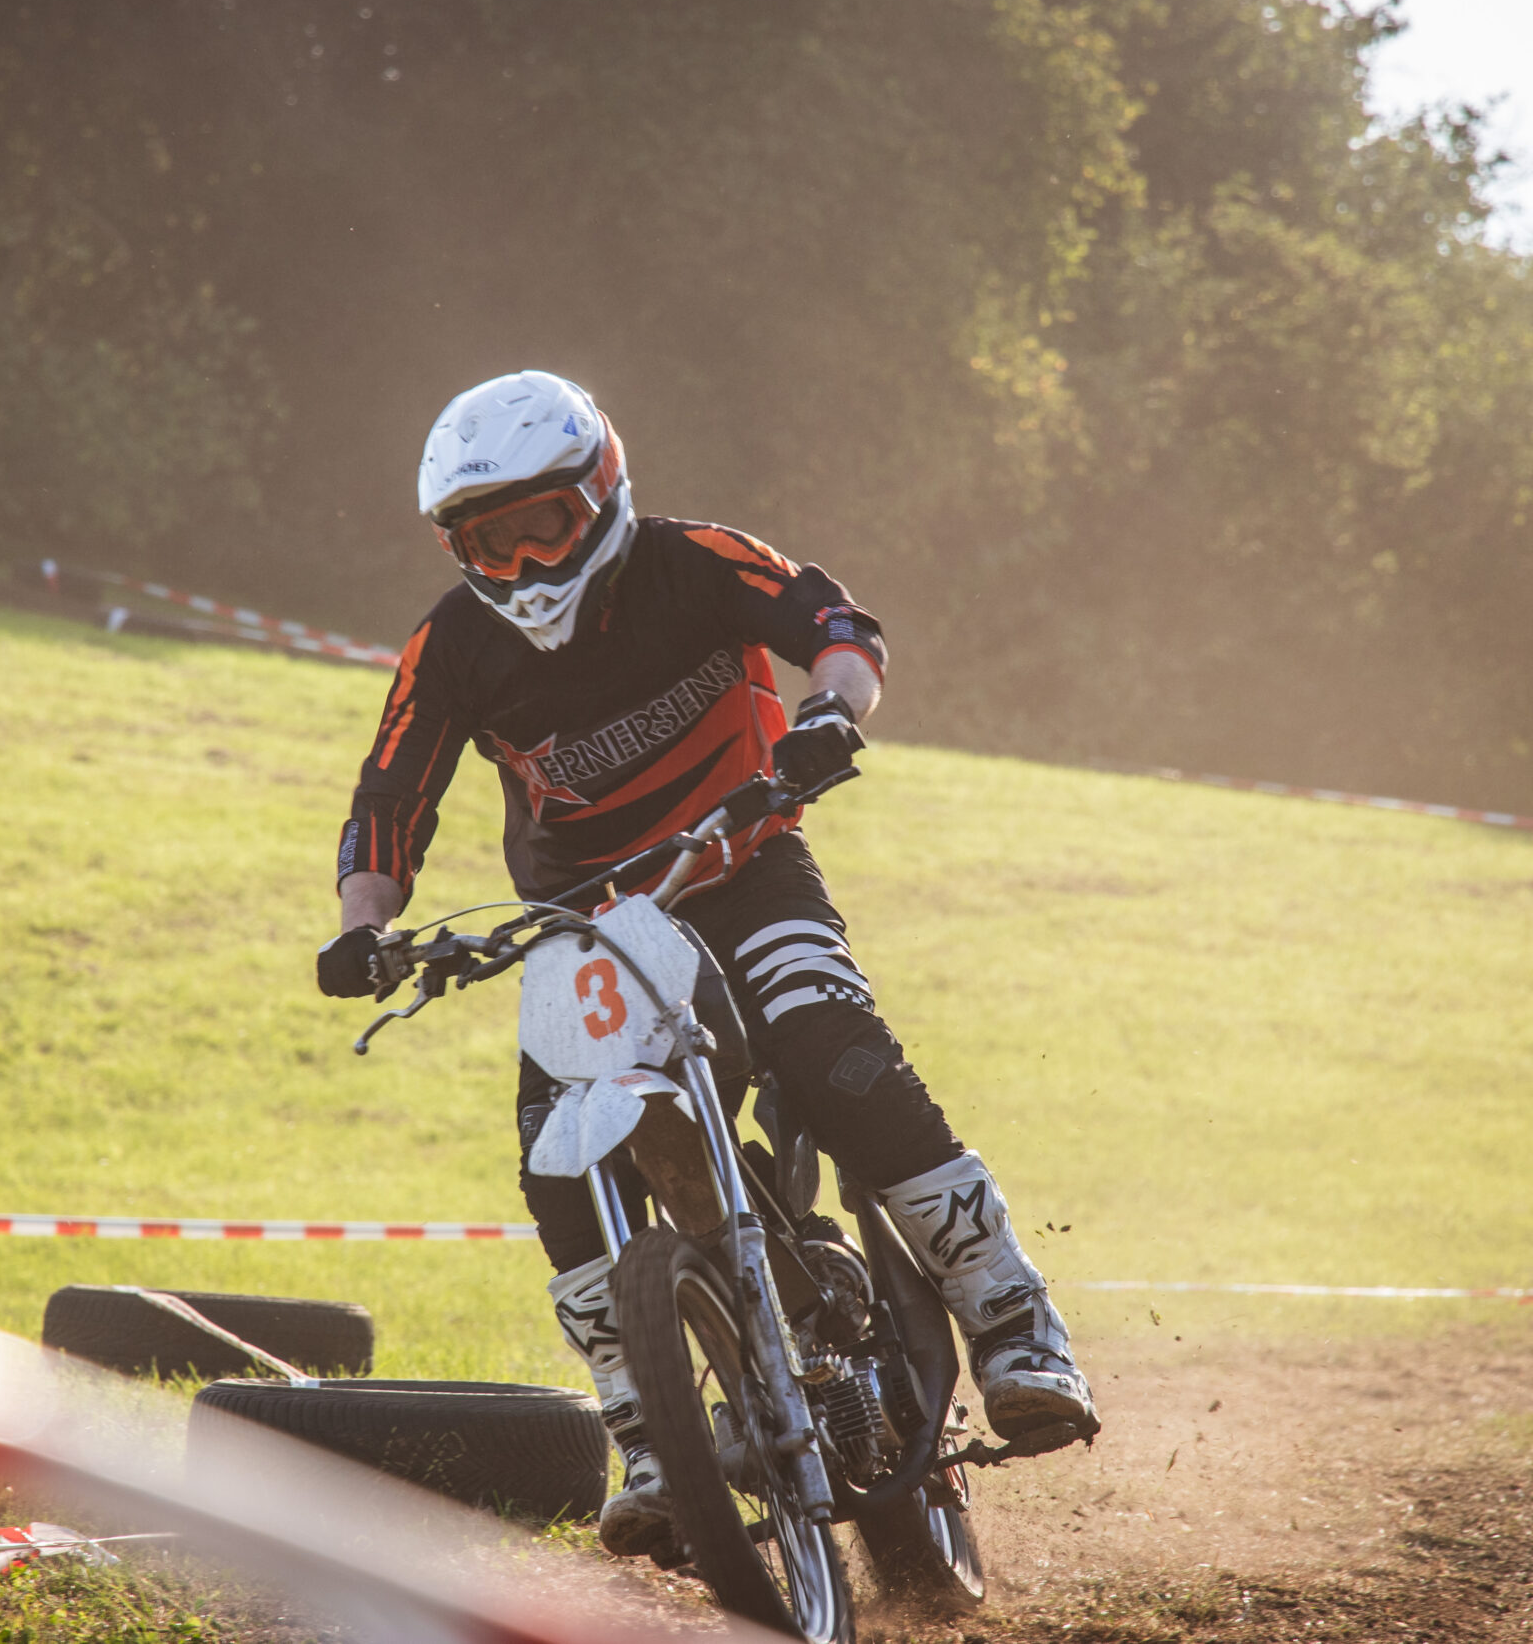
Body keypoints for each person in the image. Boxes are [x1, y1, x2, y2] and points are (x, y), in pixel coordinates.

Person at [317, 370, 1097, 1559]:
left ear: (601, 493)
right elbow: (389, 800)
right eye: (489, 541)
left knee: (834, 1054)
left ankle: (1012, 1318)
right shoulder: (453, 645)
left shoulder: (695, 562)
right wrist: (363, 927)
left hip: (745, 867)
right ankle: (647, 1435)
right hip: (586, 926)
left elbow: (839, 630)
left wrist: (829, 714)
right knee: (553, 1160)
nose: (523, 565)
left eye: (544, 527)